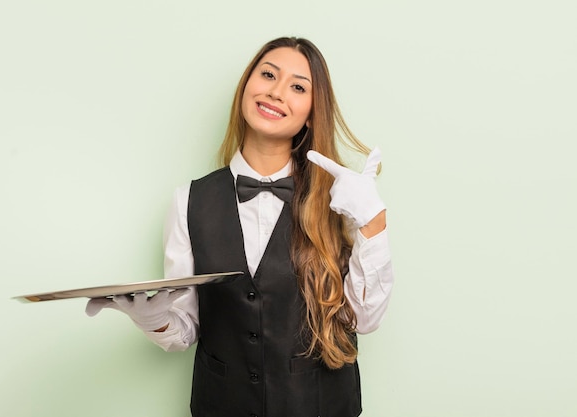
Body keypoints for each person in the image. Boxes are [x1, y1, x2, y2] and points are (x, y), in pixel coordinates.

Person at [86, 36, 394, 417]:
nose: (277, 92)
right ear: (247, 86)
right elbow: (184, 330)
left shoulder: (341, 198)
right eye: (268, 75)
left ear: (313, 112)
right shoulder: (189, 200)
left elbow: (363, 320)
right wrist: (153, 319)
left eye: (298, 86)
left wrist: (372, 221)